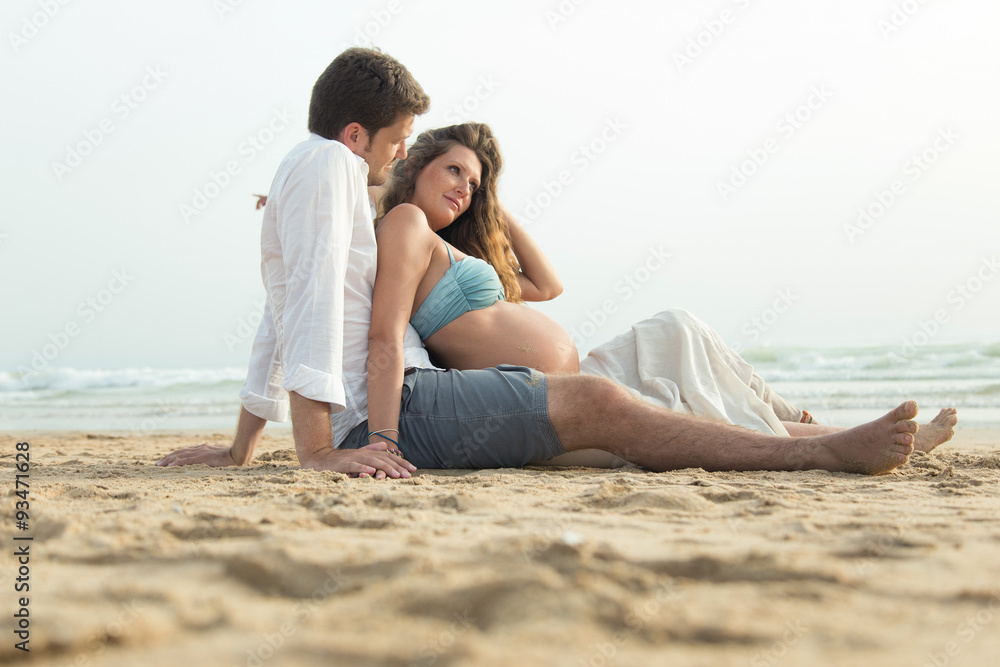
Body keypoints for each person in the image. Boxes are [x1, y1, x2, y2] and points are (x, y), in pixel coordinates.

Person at [157, 47, 931, 479]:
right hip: (392, 408)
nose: (398, 158)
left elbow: (279, 315)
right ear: (358, 137)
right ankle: (827, 452)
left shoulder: (320, 179)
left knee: (640, 381)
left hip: (405, 400)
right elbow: (322, 312)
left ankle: (823, 435)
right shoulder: (332, 173)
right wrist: (322, 449)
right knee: (604, 402)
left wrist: (241, 445)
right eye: (398, 144)